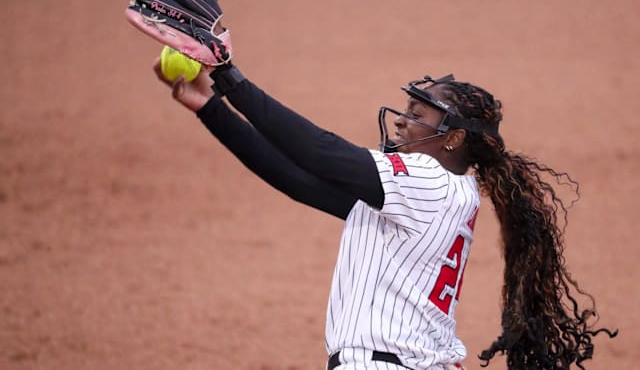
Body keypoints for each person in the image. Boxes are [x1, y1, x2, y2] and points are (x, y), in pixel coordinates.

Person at [152, 59, 616, 370]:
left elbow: (318, 151)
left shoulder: (425, 180)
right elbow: (296, 179)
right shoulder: (439, 192)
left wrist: (230, 74)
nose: (401, 119)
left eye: (419, 113)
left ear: (452, 138)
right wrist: (210, 107)